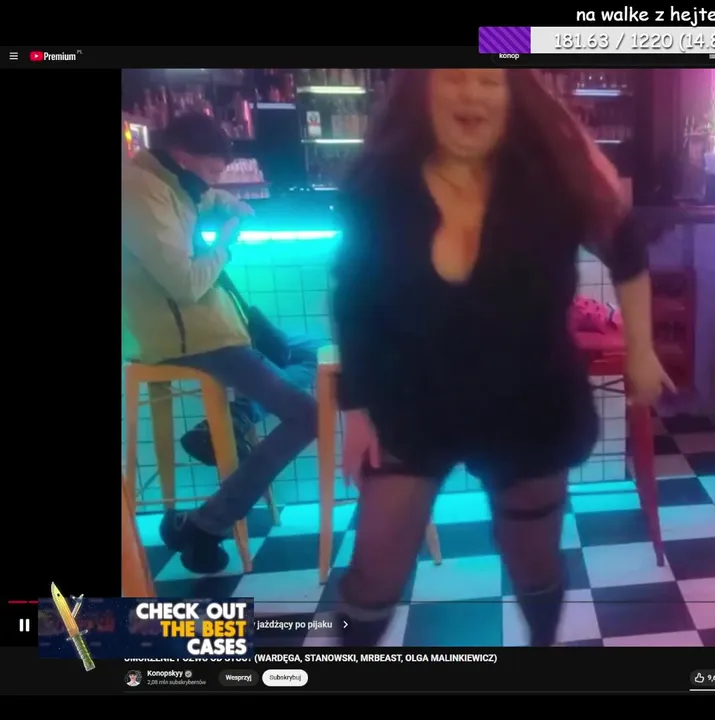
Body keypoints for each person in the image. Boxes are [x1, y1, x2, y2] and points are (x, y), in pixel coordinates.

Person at [331, 68, 672, 647]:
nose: (472, 93)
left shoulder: (550, 179)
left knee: (533, 566)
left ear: (512, 94)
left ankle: (542, 645)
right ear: (423, 90)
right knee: (371, 573)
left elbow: (626, 245)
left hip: (529, 404)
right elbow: (355, 300)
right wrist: (356, 410)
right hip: (413, 400)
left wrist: (641, 350)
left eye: (489, 81)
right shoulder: (379, 187)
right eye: (455, 78)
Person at [122, 113, 320, 574]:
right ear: (183, 157)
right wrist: (226, 243)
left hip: (218, 325)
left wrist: (228, 201)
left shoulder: (172, 184)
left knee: (310, 347)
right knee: (307, 417)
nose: (213, 181)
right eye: (212, 170)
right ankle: (207, 524)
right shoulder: (138, 191)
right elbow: (187, 283)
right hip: (192, 337)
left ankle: (237, 416)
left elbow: (207, 198)